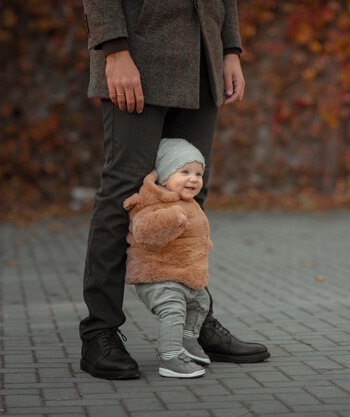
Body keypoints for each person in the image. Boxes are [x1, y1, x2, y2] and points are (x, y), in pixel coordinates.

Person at [80, 0, 270, 380]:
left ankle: (193, 325)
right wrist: (114, 49)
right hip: (138, 52)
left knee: (189, 196)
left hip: (203, 56)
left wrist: (230, 49)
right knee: (124, 195)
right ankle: (99, 331)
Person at [124, 139, 214, 379]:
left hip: (182, 274)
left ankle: (186, 339)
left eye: (198, 173)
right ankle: (170, 357)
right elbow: (144, 231)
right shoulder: (152, 201)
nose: (193, 179)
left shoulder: (189, 203)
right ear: (164, 177)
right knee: (173, 309)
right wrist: (170, 219)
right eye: (185, 172)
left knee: (201, 302)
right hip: (157, 275)